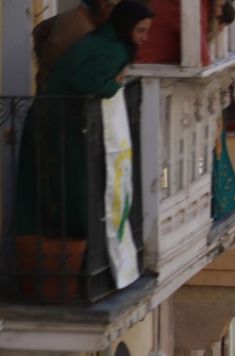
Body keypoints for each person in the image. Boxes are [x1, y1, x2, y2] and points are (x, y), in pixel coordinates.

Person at [14, 1, 153, 253]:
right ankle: (75, 262)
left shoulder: (97, 38)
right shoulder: (112, 49)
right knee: (71, 194)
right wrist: (114, 84)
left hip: (52, 122)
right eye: (141, 31)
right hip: (64, 128)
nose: (145, 38)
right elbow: (83, 83)